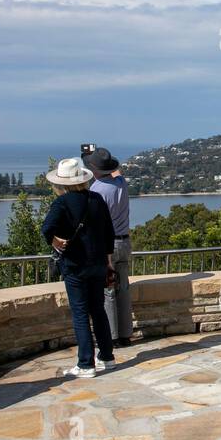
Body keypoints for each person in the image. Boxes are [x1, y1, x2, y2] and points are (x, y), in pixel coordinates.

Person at [42, 158, 117, 377]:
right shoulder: (96, 199)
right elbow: (109, 234)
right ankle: (106, 356)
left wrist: (55, 241)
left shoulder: (62, 203)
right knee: (98, 309)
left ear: (61, 183)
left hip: (75, 266)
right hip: (98, 264)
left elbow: (47, 228)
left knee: (80, 314)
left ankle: (85, 364)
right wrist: (109, 262)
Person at [83, 145, 133, 347]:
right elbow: (117, 171)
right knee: (124, 288)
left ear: (94, 170)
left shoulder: (96, 191)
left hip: (108, 245)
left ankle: (111, 336)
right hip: (125, 241)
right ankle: (126, 334)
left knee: (108, 290)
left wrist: (91, 156)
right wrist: (102, 157)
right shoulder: (121, 183)